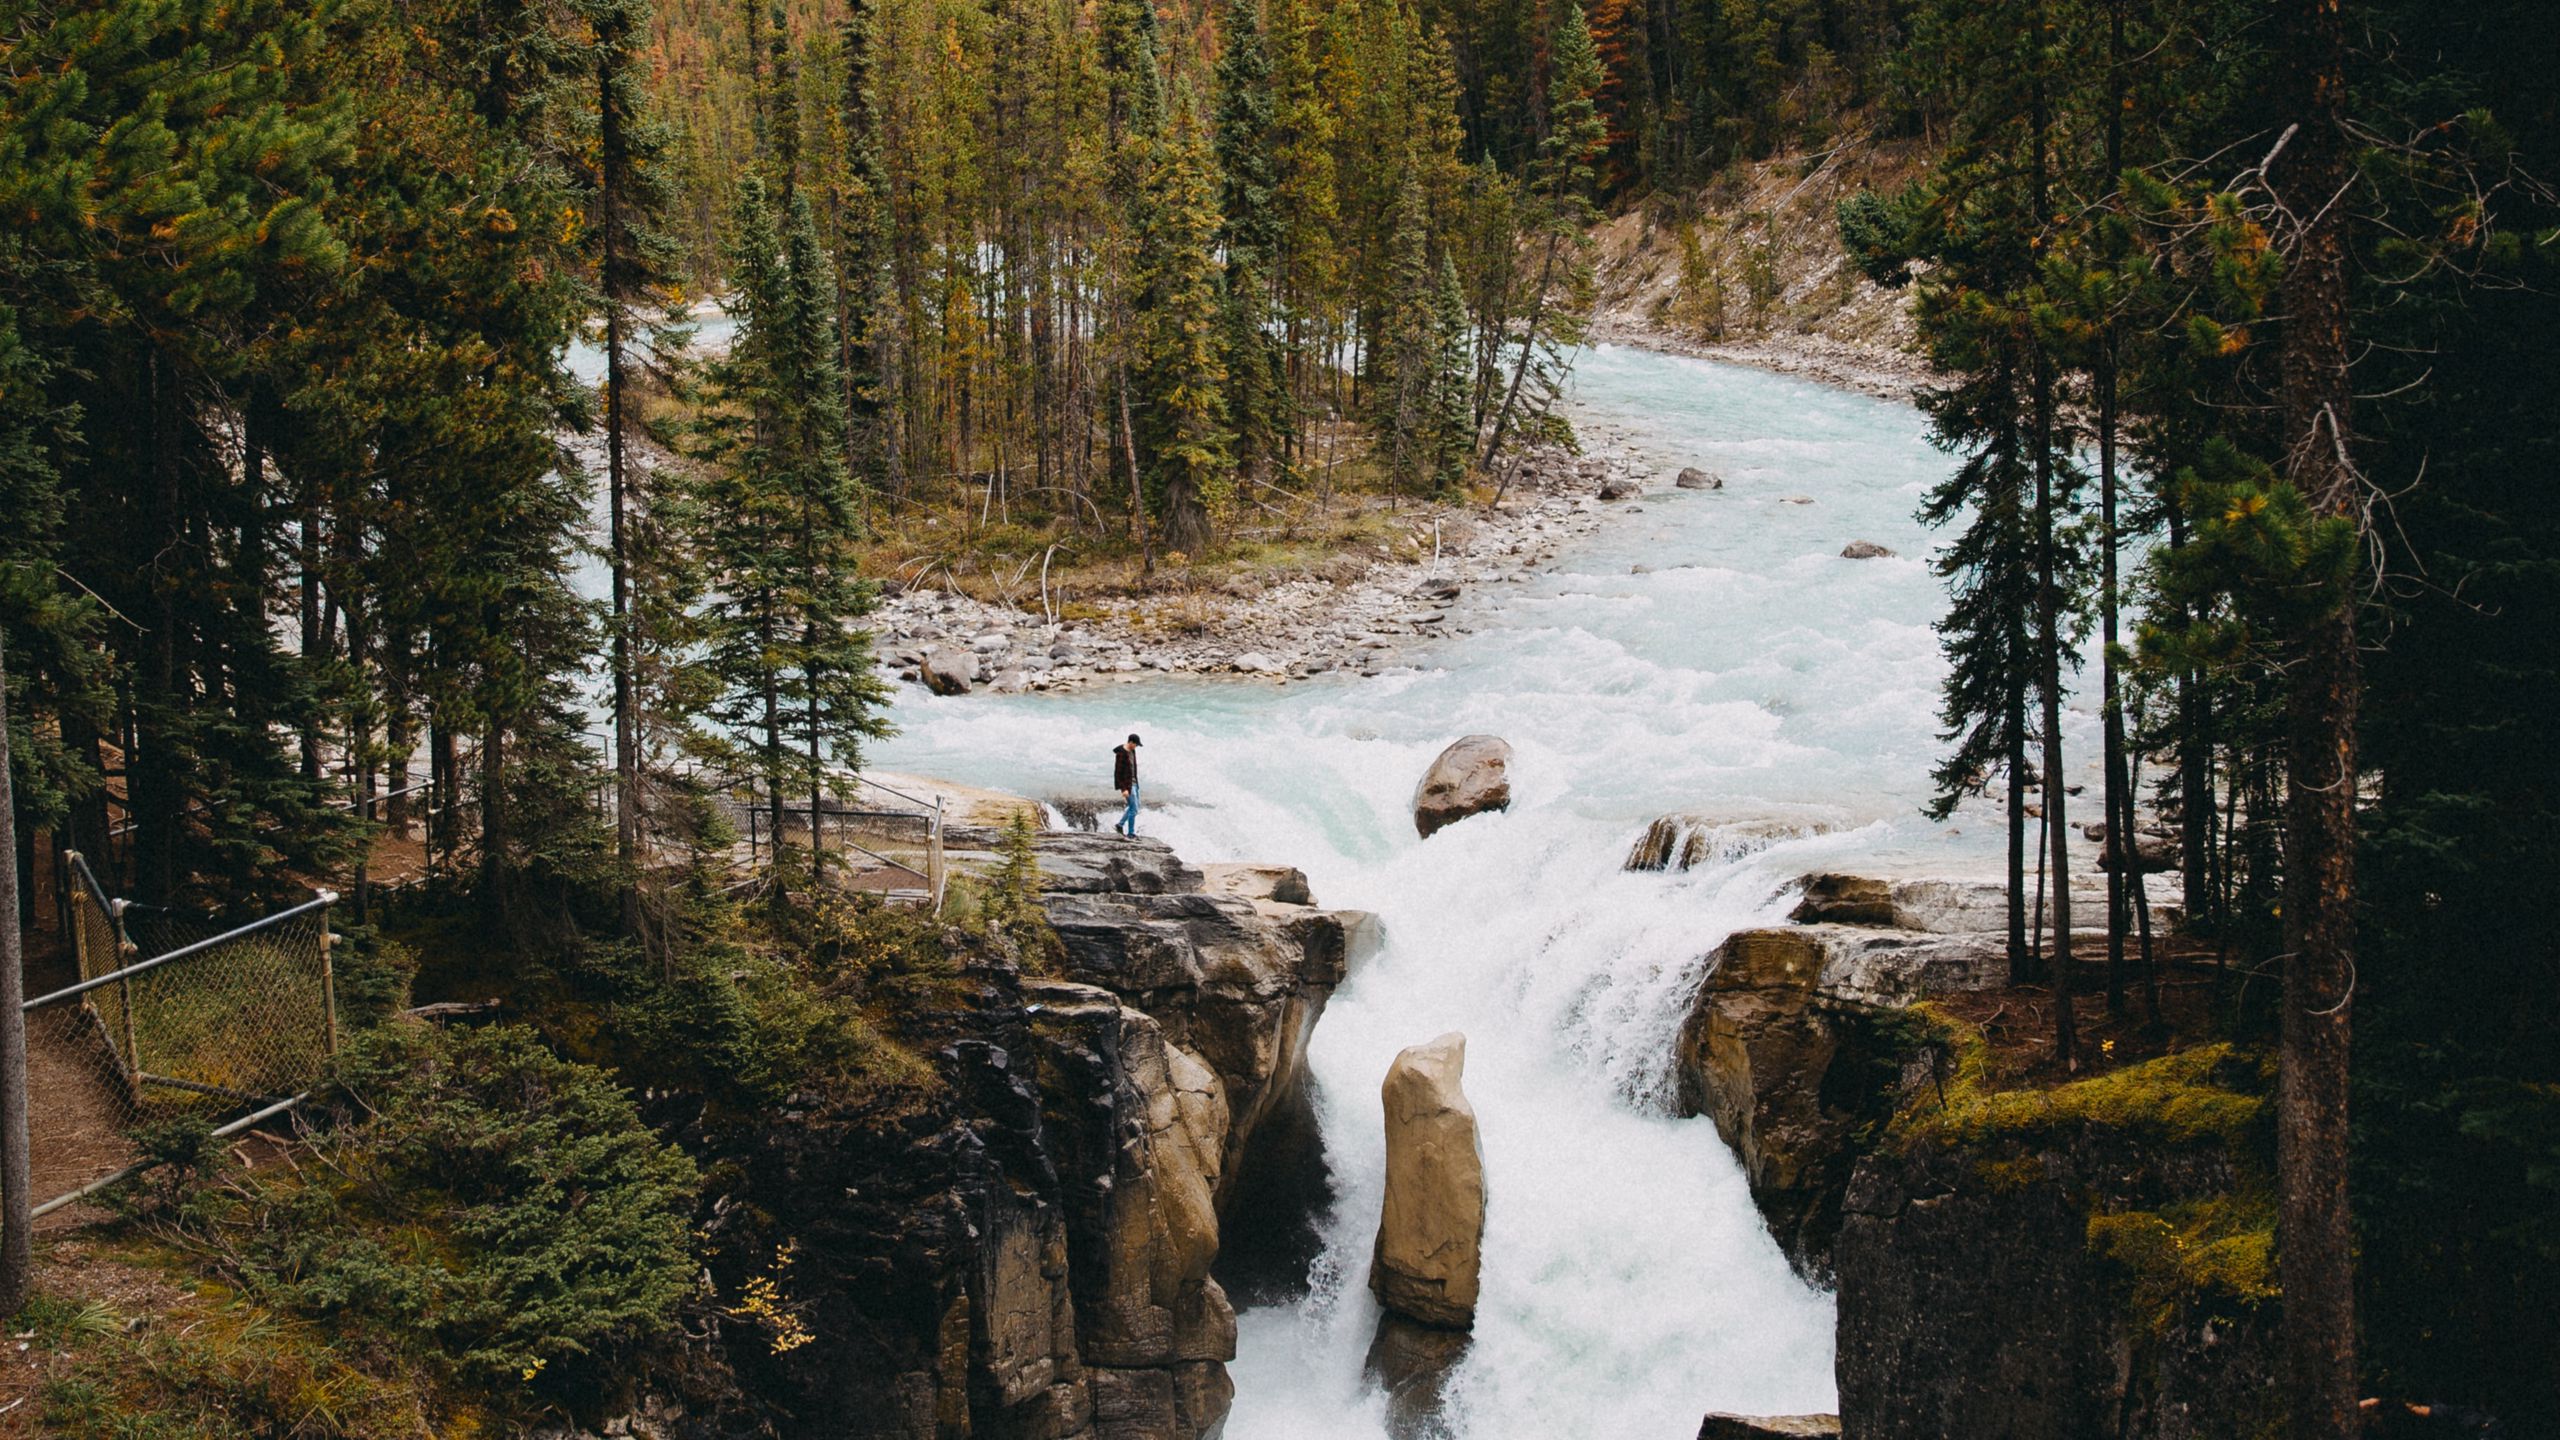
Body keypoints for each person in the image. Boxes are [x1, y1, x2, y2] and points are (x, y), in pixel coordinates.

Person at [1113, 733, 1142, 838]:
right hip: (1127, 786)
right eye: (1136, 744)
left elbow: (1133, 769)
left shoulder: (1132, 750)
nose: (1136, 747)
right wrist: (1123, 789)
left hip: (1134, 783)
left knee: (1135, 807)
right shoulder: (1121, 753)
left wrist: (1136, 783)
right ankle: (1130, 833)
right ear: (1130, 742)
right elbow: (1118, 773)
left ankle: (1119, 825)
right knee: (1133, 809)